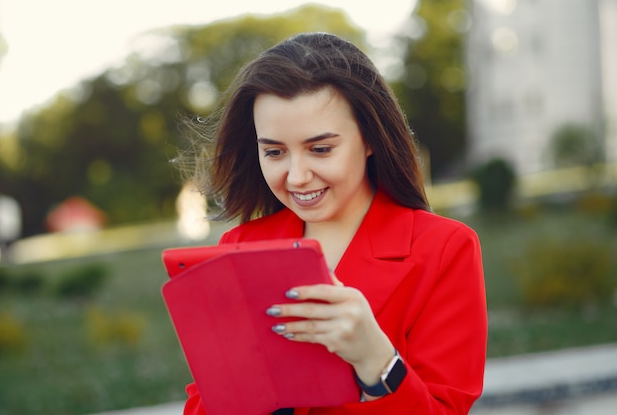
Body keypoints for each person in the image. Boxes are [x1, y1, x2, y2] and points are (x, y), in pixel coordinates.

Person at [178, 32, 487, 415]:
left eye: (320, 149)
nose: (297, 176)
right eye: (274, 152)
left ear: (370, 138)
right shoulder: (236, 248)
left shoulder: (445, 249)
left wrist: (378, 361)